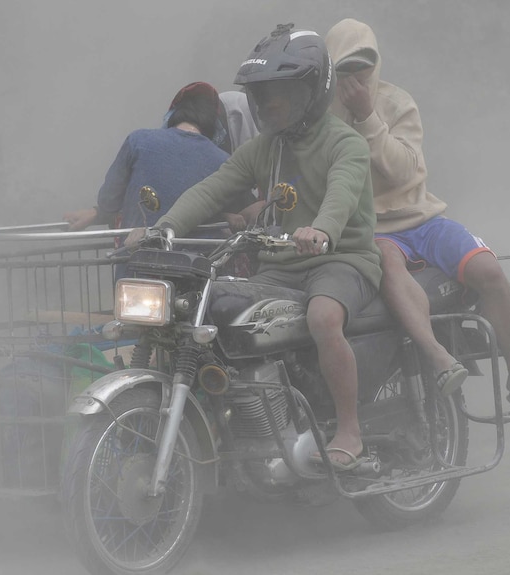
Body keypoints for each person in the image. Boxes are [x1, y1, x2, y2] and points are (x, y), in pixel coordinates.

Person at [127, 23, 382, 470]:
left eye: (279, 90)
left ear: (311, 89)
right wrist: (163, 228)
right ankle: (250, 426)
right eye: (260, 93)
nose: (266, 102)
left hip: (341, 260)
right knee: (219, 311)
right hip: (281, 265)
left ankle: (349, 429)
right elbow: (213, 189)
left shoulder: (347, 143)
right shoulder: (265, 148)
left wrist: (320, 230)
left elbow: (340, 196)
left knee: (324, 316)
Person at [324, 18, 510, 413]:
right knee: (390, 269)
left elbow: (404, 171)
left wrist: (367, 117)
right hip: (374, 230)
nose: (356, 78)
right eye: (345, 68)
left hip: (424, 218)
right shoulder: (323, 120)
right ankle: (439, 358)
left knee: (491, 272)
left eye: (364, 66)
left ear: (375, 63)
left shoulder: (397, 103)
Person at [63, 82, 242, 233]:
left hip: (138, 262)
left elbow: (108, 202)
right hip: (196, 266)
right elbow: (227, 210)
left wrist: (98, 213)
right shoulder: (223, 161)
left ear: (173, 113)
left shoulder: (138, 141)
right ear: (215, 124)